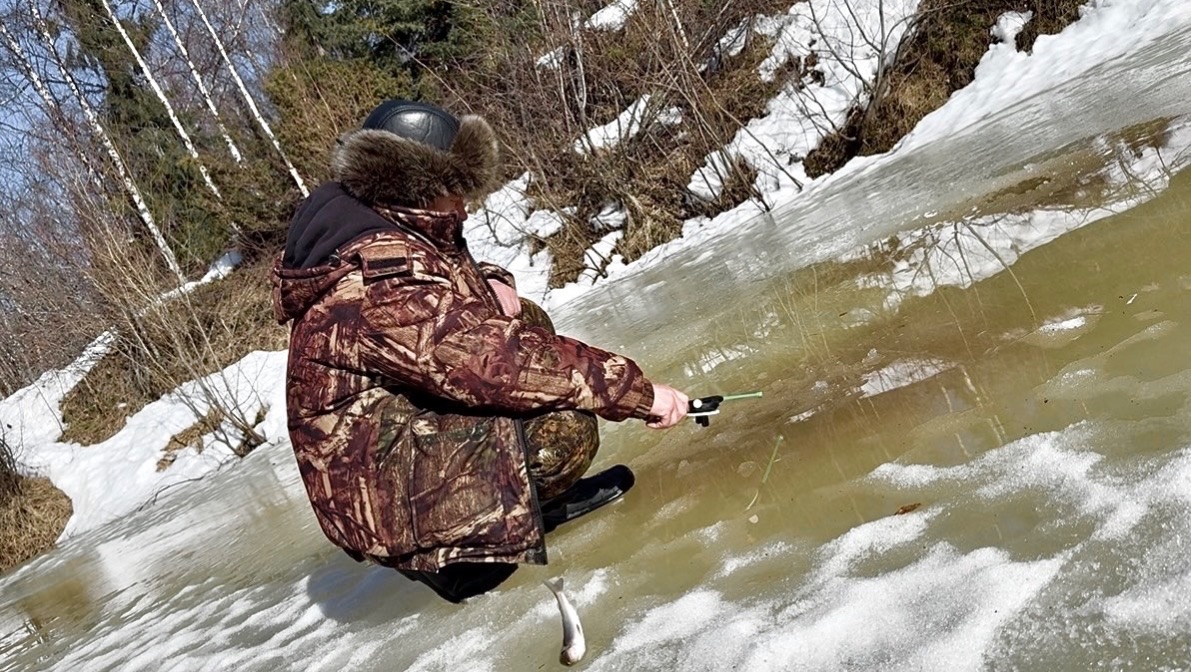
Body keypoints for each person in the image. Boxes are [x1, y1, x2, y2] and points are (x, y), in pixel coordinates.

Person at [272, 99, 689, 603]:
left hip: (393, 438)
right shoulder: (380, 283)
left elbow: (444, 293)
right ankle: (457, 563)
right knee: (564, 430)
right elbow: (498, 363)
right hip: (375, 494)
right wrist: (640, 394)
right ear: (418, 188)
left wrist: (492, 278)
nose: (466, 206)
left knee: (522, 316)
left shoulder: (383, 224)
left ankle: (510, 511)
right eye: (457, 193)